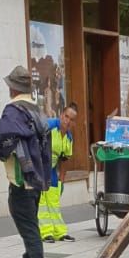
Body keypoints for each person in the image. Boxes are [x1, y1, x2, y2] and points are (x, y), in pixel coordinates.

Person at [0, 65, 52, 258]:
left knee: (27, 224)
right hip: (36, 176)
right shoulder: (35, 108)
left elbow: (5, 142)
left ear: (13, 88)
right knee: (30, 223)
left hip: (22, 178)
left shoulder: (13, 110)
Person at [38, 102, 78, 243]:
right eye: (66, 116)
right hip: (39, 168)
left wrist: (61, 181)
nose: (67, 121)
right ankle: (45, 233)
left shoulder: (68, 138)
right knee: (42, 203)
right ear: (61, 115)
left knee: (54, 200)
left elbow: (64, 160)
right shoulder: (49, 126)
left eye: (71, 119)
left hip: (52, 170)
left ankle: (60, 232)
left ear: (74, 123)